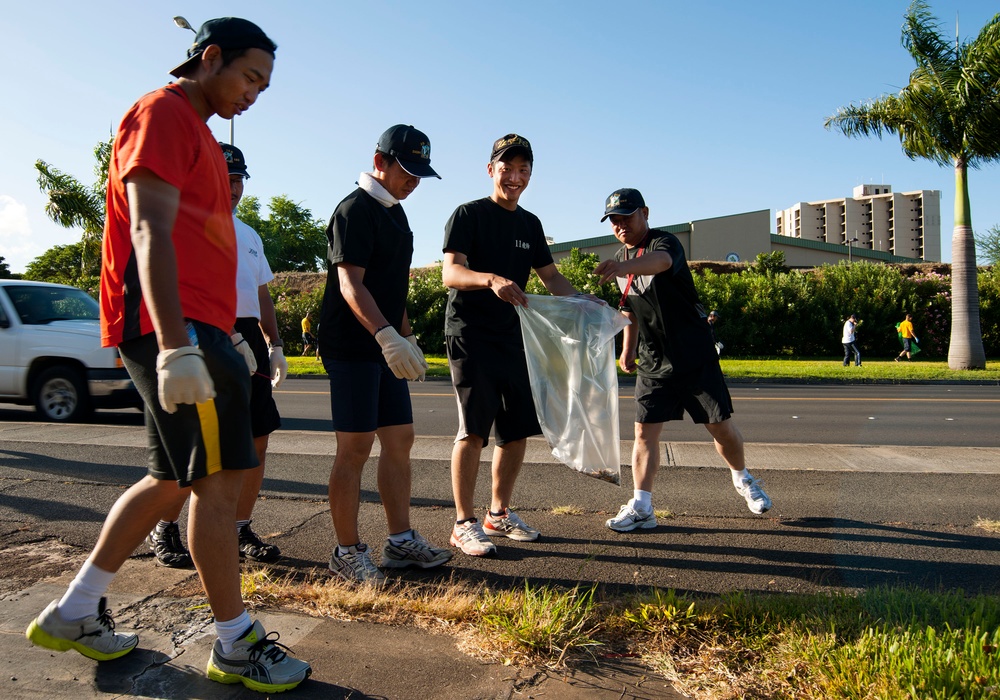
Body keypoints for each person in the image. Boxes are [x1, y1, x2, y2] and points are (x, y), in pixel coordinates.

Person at [23, 18, 311, 692]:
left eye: (264, 87)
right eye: (249, 77)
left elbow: (200, 244)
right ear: (210, 58)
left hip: (195, 328)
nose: (254, 95)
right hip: (170, 327)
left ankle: (74, 610)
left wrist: (235, 334)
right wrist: (179, 342)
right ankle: (236, 643)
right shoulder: (163, 113)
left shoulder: (203, 137)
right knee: (218, 482)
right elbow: (150, 228)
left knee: (174, 480)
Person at [442, 134, 592, 557]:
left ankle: (498, 514)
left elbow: (552, 279)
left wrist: (587, 303)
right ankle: (463, 523)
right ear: (491, 169)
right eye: (507, 167)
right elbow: (451, 273)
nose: (515, 176)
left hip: (514, 336)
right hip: (471, 334)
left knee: (515, 431)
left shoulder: (529, 223)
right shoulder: (468, 214)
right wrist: (490, 279)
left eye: (523, 169)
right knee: (473, 430)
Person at [594, 188, 772, 533]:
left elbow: (660, 265)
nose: (620, 226)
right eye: (614, 221)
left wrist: (622, 265)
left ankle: (743, 478)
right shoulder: (620, 258)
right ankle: (642, 506)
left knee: (719, 427)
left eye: (626, 217)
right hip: (653, 361)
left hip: (693, 354)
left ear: (645, 212)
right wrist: (627, 349)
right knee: (644, 433)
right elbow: (629, 306)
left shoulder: (665, 244)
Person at [145, 142, 289, 568]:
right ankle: (165, 526)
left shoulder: (249, 235)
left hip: (246, 334)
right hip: (204, 330)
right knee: (198, 443)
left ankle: (239, 526)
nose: (232, 187)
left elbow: (261, 293)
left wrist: (274, 342)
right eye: (224, 178)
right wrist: (227, 337)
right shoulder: (186, 225)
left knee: (258, 437)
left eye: (238, 179)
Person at [318, 125, 451, 583]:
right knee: (354, 447)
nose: (413, 181)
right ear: (380, 162)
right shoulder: (354, 210)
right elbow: (350, 284)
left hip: (385, 340)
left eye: (420, 174)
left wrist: (407, 337)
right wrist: (387, 336)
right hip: (352, 345)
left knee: (400, 439)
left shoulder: (397, 214)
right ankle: (346, 552)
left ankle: (399, 542)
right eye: (406, 170)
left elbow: (394, 289)